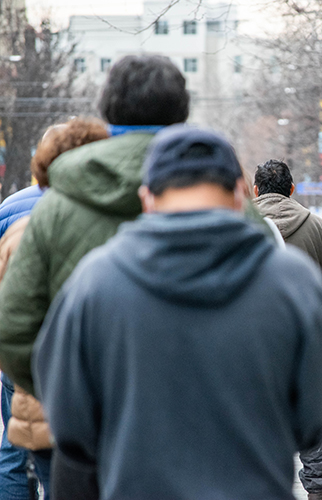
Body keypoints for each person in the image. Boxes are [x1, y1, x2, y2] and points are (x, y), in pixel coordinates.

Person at [32, 126, 322, 500]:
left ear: (147, 198)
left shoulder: (94, 283)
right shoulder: (292, 283)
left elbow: (67, 417)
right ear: (237, 197)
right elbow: (320, 408)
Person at [0, 55, 191, 494]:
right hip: (192, 425)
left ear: (107, 109)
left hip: (79, 431)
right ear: (182, 112)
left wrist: (66, 395)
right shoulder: (222, 197)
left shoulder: (53, 209)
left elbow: (12, 329)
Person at [0, 117, 109, 500]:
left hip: (30, 361)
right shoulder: (111, 210)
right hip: (98, 369)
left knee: (14, 455)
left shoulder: (12, 210)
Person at [253, 159, 322, 500]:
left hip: (252, 336)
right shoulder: (317, 225)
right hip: (305, 335)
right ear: (292, 189)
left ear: (255, 190)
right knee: (311, 407)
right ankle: (319, 487)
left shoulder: (241, 226)